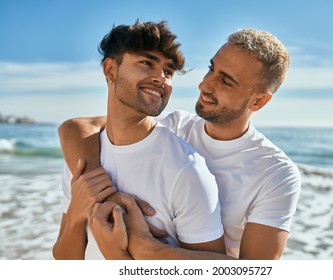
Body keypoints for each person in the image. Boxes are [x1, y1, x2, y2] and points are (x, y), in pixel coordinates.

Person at [58, 27, 301, 259]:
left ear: (258, 102)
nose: (204, 85)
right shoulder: (173, 126)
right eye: (211, 69)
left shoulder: (276, 173)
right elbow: (77, 128)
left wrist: (145, 250)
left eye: (226, 81)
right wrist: (101, 194)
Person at [52, 20, 225, 260]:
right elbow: (64, 259)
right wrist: (75, 215)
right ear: (111, 70)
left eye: (168, 72)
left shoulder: (185, 169)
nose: (161, 78)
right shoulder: (84, 155)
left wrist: (120, 254)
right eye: (146, 63)